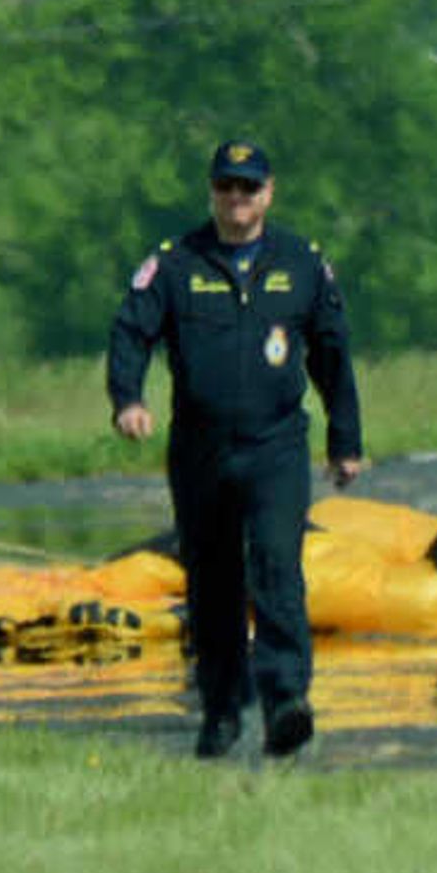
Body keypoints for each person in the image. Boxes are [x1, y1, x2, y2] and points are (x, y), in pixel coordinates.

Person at [107, 141, 364, 759]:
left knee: (277, 564)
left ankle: (285, 701)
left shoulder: (300, 262)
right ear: (211, 192)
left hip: (276, 446)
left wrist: (345, 441)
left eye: (249, 188)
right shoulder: (176, 263)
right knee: (214, 581)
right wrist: (128, 400)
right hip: (201, 450)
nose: (237, 199)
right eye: (226, 187)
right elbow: (131, 330)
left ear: (268, 194)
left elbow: (332, 352)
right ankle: (222, 709)